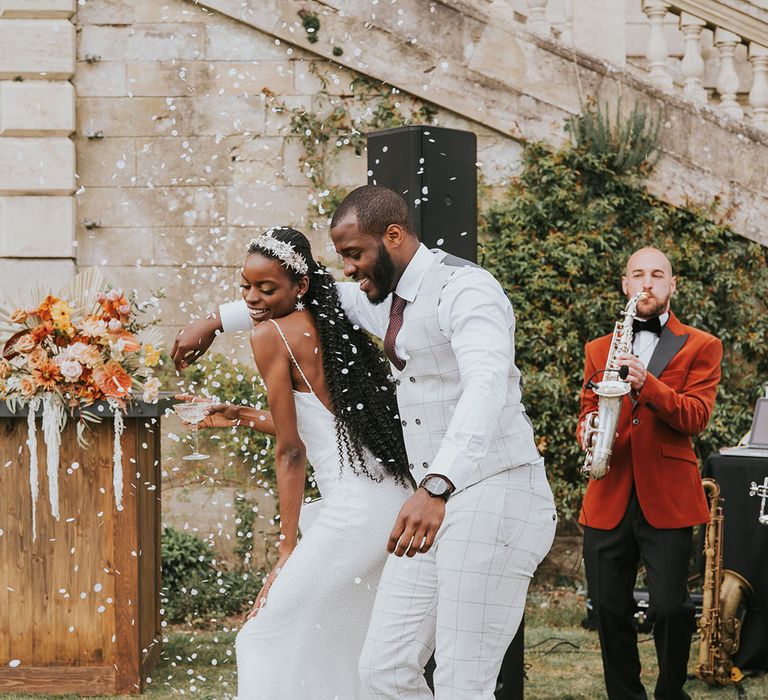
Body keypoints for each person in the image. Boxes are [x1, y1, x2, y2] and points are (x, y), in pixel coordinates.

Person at [172, 185, 556, 699]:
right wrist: (214, 321)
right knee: (382, 671)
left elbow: (486, 387)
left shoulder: (466, 290)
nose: (347, 268)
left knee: (463, 681)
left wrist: (437, 485)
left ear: (392, 236)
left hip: (493, 492)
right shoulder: (383, 300)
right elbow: (309, 294)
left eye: (354, 254)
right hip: (428, 507)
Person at [189, 226, 412, 699]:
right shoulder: (328, 325)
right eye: (245, 286)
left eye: (266, 288)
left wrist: (287, 547)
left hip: (355, 512)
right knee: (337, 640)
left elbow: (292, 451)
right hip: (390, 502)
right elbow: (322, 428)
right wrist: (240, 415)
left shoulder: (271, 335)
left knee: (262, 636)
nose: (252, 298)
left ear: (300, 286)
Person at [578, 247, 723, 700]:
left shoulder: (702, 345)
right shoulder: (598, 348)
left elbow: (696, 417)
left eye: (657, 275)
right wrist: (586, 428)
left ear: (672, 285)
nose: (647, 282)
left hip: (668, 494)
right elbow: (587, 406)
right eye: (637, 274)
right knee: (606, 606)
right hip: (609, 490)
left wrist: (648, 383)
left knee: (670, 608)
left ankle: (669, 693)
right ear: (624, 285)